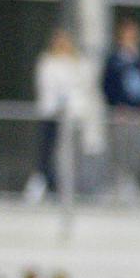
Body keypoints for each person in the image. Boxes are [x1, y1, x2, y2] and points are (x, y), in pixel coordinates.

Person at [32, 27, 99, 202]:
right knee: (49, 150)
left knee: (74, 153)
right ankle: (48, 184)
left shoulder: (79, 63)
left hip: (75, 116)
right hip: (52, 114)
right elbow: (47, 86)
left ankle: (73, 186)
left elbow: (86, 87)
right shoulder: (47, 62)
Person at [102, 18, 140, 202]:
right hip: (121, 113)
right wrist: (116, 105)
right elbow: (107, 86)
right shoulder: (114, 60)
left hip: (138, 112)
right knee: (119, 148)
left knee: (136, 149)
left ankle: (130, 182)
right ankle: (116, 184)